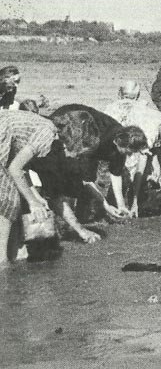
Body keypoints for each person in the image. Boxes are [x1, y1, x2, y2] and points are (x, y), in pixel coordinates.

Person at [32, 104, 149, 222]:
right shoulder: (95, 141)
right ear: (120, 143)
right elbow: (85, 178)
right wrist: (106, 206)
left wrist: (121, 205)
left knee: (81, 177)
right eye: (129, 151)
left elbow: (116, 173)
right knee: (64, 173)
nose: (130, 155)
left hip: (88, 135)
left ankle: (79, 215)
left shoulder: (120, 144)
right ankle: (61, 214)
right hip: (69, 122)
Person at [0, 111, 59, 265]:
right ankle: (2, 259)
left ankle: (12, 252)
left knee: (11, 196)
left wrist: (36, 197)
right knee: (9, 199)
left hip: (5, 135)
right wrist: (32, 202)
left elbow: (16, 165)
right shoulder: (48, 135)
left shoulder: (47, 130)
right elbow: (15, 169)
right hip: (2, 132)